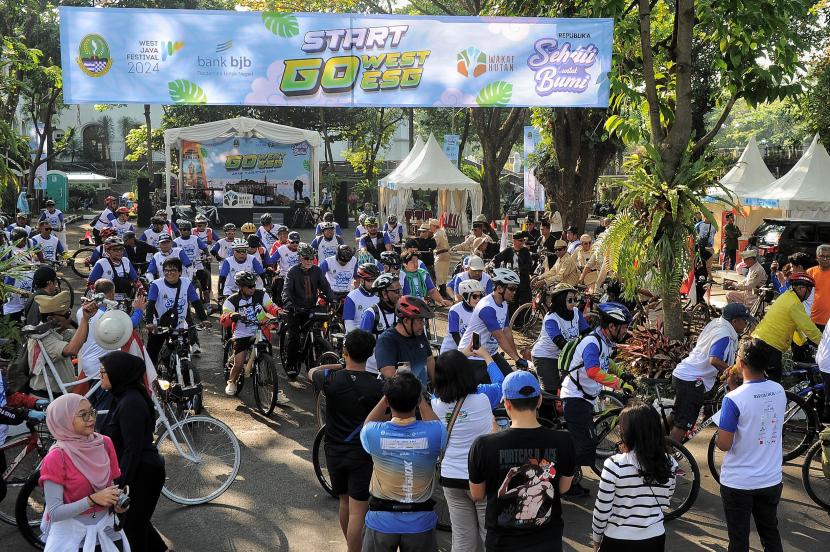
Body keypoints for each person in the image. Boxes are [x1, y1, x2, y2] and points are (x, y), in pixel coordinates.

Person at [468, 370, 576, 552]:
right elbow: (563, 488)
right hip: (547, 541)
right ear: (540, 400)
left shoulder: (483, 445)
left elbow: (477, 495)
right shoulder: (564, 440)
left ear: (507, 404)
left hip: (503, 543)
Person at [309, 330, 384, 552]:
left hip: (333, 449)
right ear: (370, 354)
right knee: (359, 510)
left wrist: (339, 366)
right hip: (362, 453)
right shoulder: (377, 386)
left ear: (345, 351)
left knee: (344, 502)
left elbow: (313, 371)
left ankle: (352, 546)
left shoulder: (331, 379)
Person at [360, 372, 447, 552]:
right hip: (420, 522)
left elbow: (367, 423)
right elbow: (437, 425)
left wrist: (387, 396)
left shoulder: (373, 432)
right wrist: (419, 398)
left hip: (381, 520)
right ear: (416, 401)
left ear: (388, 402)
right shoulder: (435, 433)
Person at [431, 346, 505, 552]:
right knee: (489, 536)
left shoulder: (434, 404)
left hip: (450, 478)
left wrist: (457, 355)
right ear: (467, 372)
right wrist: (485, 356)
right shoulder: (483, 397)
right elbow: (501, 384)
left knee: (463, 539)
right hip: (481, 477)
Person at [716, 341, 786, 552]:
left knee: (738, 540)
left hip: (739, 483)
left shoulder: (732, 399)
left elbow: (724, 444)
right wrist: (734, 389)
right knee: (770, 534)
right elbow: (757, 406)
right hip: (771, 479)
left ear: (741, 362)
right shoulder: (778, 390)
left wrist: (732, 393)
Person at [560, 302, 634, 497]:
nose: (626, 331)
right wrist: (619, 383)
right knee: (583, 445)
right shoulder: (592, 342)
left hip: (586, 397)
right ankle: (565, 485)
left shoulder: (604, 341)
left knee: (584, 441)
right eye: (624, 327)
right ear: (612, 326)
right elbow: (593, 370)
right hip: (574, 397)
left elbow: (605, 361)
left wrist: (622, 373)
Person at [39, 394, 129, 551]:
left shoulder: (104, 443)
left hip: (106, 531)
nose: (91, 418)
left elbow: (111, 485)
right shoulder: (56, 457)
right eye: (83, 414)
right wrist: (92, 500)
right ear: (64, 419)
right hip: (73, 538)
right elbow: (54, 512)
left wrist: (115, 502)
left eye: (92, 411)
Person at [99, 351, 169, 552]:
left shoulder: (131, 403)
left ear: (118, 373)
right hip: (136, 470)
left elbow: (132, 449)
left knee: (133, 528)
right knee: (138, 521)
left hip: (143, 473)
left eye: (104, 371)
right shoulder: (121, 395)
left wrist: (120, 485)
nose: (99, 375)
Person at [591, 402, 676, 552]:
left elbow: (602, 510)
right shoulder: (670, 463)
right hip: (655, 537)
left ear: (627, 433)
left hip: (618, 539)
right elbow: (666, 498)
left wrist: (597, 538)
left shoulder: (614, 465)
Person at [669, 303, 755, 443]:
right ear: (734, 321)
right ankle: (667, 457)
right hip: (692, 380)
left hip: (683, 373)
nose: (746, 325)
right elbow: (714, 359)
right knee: (683, 424)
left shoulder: (717, 323)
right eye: (744, 321)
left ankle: (654, 441)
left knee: (676, 415)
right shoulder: (724, 335)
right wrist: (730, 370)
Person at [458, 268, 528, 382]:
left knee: (510, 380)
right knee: (493, 389)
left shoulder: (504, 304)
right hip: (474, 355)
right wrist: (516, 359)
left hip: (491, 353)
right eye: (512, 288)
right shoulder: (487, 308)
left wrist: (517, 358)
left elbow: (507, 332)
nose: (514, 292)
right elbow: (500, 337)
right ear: (499, 288)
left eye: (516, 289)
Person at [751, 273, 821, 381]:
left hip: (761, 340)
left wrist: (803, 342)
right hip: (770, 345)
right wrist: (825, 344)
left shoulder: (787, 296)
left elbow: (797, 325)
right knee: (773, 383)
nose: (810, 293)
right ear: (801, 288)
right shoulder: (794, 303)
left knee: (761, 379)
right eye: (810, 290)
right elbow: (810, 329)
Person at [220, 271, 279, 395]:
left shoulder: (261, 295)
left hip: (260, 329)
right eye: (250, 286)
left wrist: (279, 312)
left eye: (254, 285)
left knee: (268, 359)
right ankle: (232, 381)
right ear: (241, 287)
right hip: (241, 334)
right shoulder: (232, 300)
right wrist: (232, 315)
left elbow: (271, 307)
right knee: (239, 363)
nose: (253, 288)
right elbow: (224, 319)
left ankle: (274, 390)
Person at [143, 257, 210, 365]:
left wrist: (204, 319)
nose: (169, 273)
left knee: (183, 353)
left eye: (173, 270)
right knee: (151, 356)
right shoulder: (156, 285)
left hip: (179, 326)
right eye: (166, 270)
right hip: (159, 325)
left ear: (179, 272)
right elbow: (150, 304)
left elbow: (196, 302)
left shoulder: (186, 283)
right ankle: (152, 380)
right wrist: (149, 322)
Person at [282, 243, 335, 378]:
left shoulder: (317, 271)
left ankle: (314, 359)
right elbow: (286, 290)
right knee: (294, 336)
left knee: (317, 332)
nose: (309, 261)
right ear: (300, 258)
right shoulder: (292, 271)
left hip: (311, 308)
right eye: (306, 258)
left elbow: (326, 287)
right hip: (295, 309)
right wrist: (289, 304)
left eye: (312, 258)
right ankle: (291, 364)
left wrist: (332, 299)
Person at [530, 284, 590, 393]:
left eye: (575, 299)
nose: (574, 303)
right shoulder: (551, 319)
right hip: (546, 356)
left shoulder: (576, 312)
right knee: (551, 391)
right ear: (560, 301)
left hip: (565, 355)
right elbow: (561, 343)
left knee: (572, 388)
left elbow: (587, 332)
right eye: (570, 300)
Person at [374, 296, 436, 385]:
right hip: (401, 396)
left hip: (421, 395)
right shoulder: (386, 340)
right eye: (420, 321)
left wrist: (437, 388)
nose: (423, 325)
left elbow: (429, 359)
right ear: (406, 321)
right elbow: (389, 373)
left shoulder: (418, 334)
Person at [359, 273, 401, 375]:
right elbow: (361, 345)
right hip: (373, 371)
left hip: (397, 370)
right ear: (384, 294)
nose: (400, 294)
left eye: (400, 290)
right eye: (396, 291)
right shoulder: (371, 314)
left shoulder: (402, 311)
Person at [493, 232, 533, 316]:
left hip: (523, 280)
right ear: (514, 241)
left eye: (523, 240)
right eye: (520, 240)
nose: (522, 242)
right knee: (511, 302)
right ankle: (512, 321)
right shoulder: (508, 250)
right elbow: (497, 258)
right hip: (511, 280)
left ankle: (522, 322)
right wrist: (497, 270)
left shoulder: (525, 251)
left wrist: (520, 270)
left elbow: (529, 265)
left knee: (524, 301)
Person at [440, 279, 484, 354]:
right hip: (450, 352)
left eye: (480, 296)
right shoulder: (455, 310)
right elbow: (455, 335)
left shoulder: (478, 310)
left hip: (468, 351)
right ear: (466, 296)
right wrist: (464, 352)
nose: (478, 299)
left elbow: (476, 333)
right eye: (475, 296)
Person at [174, 220, 209, 299]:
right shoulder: (176, 242)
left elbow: (204, 248)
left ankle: (207, 303)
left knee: (204, 283)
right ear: (180, 230)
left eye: (187, 229)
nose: (185, 231)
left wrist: (208, 255)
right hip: (183, 266)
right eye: (183, 229)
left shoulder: (195, 239)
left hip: (197, 264)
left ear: (190, 230)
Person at [343, 263, 380, 333]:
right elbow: (349, 327)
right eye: (371, 280)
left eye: (376, 280)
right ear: (362, 281)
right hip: (357, 337)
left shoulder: (380, 296)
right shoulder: (352, 297)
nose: (374, 284)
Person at [268, 230, 301, 305]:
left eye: (297, 242)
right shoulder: (282, 249)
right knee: (277, 289)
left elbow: (312, 261)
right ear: (288, 241)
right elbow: (271, 261)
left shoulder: (302, 249)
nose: (295, 244)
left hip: (299, 277)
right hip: (284, 277)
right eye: (292, 242)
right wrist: (270, 269)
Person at [807, 243, 830, 330]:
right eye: (822, 256)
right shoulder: (810, 273)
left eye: (828, 256)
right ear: (817, 257)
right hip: (813, 320)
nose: (825, 259)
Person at [429, 218, 451, 299]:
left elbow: (433, 245)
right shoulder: (442, 231)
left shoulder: (437, 234)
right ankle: (443, 292)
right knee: (443, 274)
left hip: (441, 254)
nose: (430, 227)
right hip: (446, 254)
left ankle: (442, 292)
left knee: (439, 274)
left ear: (434, 226)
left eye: (430, 226)